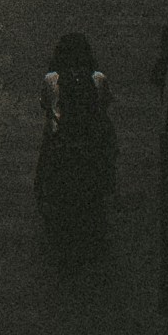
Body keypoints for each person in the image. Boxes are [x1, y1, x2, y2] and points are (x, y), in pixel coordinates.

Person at [36, 31, 118, 254]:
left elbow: (45, 105)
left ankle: (42, 191)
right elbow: (105, 105)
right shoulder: (98, 79)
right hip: (91, 138)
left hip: (60, 138)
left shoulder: (51, 79)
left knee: (45, 159)